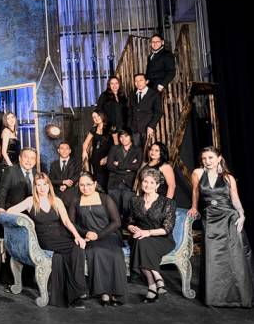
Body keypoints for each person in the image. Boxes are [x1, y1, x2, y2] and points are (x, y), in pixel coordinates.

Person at [189, 147, 254, 308]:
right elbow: (196, 191)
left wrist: (242, 215)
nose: (207, 161)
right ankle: (215, 297)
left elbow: (235, 199)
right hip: (210, 217)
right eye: (204, 158)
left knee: (235, 256)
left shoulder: (228, 177)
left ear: (219, 158)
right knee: (213, 257)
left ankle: (241, 296)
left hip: (229, 216)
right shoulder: (197, 173)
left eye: (210, 157)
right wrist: (194, 207)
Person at [7, 173, 87, 308]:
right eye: (38, 185)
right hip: (44, 239)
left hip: (60, 236)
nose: (42, 188)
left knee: (72, 252)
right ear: (35, 187)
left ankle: (72, 293)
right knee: (73, 250)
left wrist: (77, 236)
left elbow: (66, 221)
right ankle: (78, 291)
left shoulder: (56, 200)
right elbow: (9, 211)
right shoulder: (30, 201)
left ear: (49, 185)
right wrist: (26, 218)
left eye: (44, 184)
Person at [68, 172, 127, 306]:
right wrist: (86, 233)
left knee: (115, 254)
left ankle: (116, 293)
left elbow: (116, 222)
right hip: (88, 237)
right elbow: (71, 223)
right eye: (82, 185)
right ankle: (104, 293)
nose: (85, 188)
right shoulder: (76, 201)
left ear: (95, 184)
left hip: (108, 234)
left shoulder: (105, 199)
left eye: (89, 184)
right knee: (95, 252)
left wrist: (99, 235)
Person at [127, 168, 176, 303]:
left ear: (157, 185)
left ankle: (153, 283)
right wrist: (132, 228)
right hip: (139, 236)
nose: (147, 185)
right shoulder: (134, 201)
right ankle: (155, 281)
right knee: (141, 241)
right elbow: (129, 221)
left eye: (151, 182)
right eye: (145, 182)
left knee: (141, 241)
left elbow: (167, 229)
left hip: (161, 239)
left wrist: (147, 233)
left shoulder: (167, 203)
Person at [106, 130, 143, 218]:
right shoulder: (114, 148)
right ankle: (116, 226)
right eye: (121, 137)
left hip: (129, 184)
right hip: (114, 183)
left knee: (127, 210)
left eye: (126, 136)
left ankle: (126, 225)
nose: (123, 139)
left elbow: (137, 166)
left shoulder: (138, 150)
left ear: (131, 137)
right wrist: (127, 169)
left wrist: (118, 164)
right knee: (114, 210)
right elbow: (109, 166)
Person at [0, 147, 38, 215]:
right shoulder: (11, 171)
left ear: (35, 162)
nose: (29, 160)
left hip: (33, 213)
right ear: (20, 158)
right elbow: (2, 190)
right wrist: (0, 207)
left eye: (32, 158)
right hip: (13, 212)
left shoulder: (36, 173)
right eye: (26, 157)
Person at [129, 73, 164, 148]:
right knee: (136, 152)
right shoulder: (132, 94)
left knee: (147, 151)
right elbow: (130, 112)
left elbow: (158, 112)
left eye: (141, 80)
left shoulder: (154, 94)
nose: (138, 83)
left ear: (146, 81)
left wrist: (151, 126)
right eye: (136, 81)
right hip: (135, 131)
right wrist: (130, 127)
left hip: (147, 129)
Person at [82, 111, 113, 191]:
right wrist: (84, 151)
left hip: (108, 157)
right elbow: (85, 143)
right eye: (94, 117)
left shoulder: (111, 127)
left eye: (97, 116)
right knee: (98, 180)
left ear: (102, 115)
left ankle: (105, 195)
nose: (96, 118)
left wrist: (107, 158)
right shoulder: (93, 129)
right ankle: (99, 194)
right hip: (95, 158)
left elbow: (116, 145)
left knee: (106, 180)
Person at [96, 76, 129, 144]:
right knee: (112, 147)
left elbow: (126, 112)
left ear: (119, 84)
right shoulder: (104, 95)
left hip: (122, 127)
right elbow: (99, 110)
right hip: (110, 128)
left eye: (116, 83)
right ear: (109, 85)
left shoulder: (122, 96)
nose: (114, 85)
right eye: (112, 83)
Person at [48, 141, 80, 207]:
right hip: (57, 195)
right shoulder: (53, 164)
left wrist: (66, 185)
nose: (64, 151)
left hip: (72, 195)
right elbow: (50, 179)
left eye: (67, 148)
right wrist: (63, 182)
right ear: (58, 150)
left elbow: (77, 176)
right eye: (62, 148)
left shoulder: (76, 163)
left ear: (70, 151)